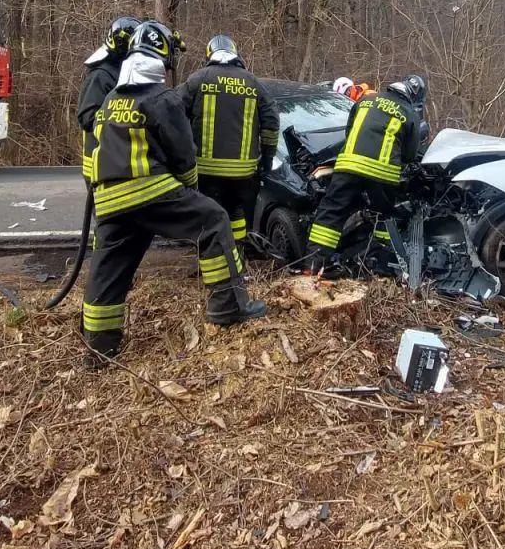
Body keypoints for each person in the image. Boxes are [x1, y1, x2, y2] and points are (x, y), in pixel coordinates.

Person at [82, 21, 267, 366]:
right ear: (162, 57)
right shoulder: (162, 99)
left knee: (109, 269)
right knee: (213, 221)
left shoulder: (109, 100)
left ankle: (98, 349)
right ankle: (228, 306)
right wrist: (191, 190)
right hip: (151, 191)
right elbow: (184, 157)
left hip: (108, 200)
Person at [302, 75, 430, 275]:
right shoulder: (409, 114)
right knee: (384, 217)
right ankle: (379, 264)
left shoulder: (366, 100)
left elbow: (350, 129)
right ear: (414, 96)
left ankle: (314, 265)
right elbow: (410, 154)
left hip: (348, 166)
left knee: (332, 213)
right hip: (383, 174)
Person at [180, 34, 279, 265]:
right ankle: (236, 259)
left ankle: (210, 264)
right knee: (237, 215)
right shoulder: (253, 82)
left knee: (207, 216)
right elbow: (271, 122)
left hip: (205, 172)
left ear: (209, 55)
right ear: (236, 54)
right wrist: (267, 159)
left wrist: (181, 155)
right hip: (244, 174)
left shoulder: (198, 79)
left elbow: (172, 113)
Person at [77, 17, 140, 183]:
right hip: (99, 164)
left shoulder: (122, 73)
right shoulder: (101, 75)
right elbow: (87, 118)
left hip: (115, 163)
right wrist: (122, 118)